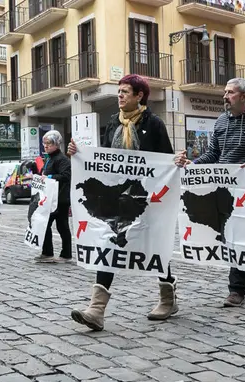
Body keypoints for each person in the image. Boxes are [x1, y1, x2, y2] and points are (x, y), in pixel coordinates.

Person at [68, 74, 177, 330]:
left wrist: (178, 164)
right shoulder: (112, 124)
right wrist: (79, 154)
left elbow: (166, 161)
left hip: (146, 198)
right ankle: (96, 309)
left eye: (125, 91)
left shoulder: (154, 124)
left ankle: (167, 298)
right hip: (118, 197)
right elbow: (103, 161)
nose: (120, 95)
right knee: (109, 244)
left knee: (154, 244)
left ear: (140, 96)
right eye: (119, 91)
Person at [175, 77, 245, 307]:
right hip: (222, 187)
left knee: (239, 234)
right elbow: (213, 154)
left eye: (230, 92)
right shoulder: (221, 121)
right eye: (225, 92)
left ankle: (236, 290)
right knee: (224, 235)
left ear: (243, 96)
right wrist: (193, 165)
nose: (225, 96)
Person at [35, 130, 72, 264]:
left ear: (56, 144)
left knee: (61, 226)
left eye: (49, 143)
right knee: (47, 224)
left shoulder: (62, 159)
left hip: (60, 198)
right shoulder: (50, 158)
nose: (46, 146)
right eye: (44, 143)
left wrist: (49, 177)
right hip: (51, 197)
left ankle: (64, 253)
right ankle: (48, 252)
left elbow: (66, 176)